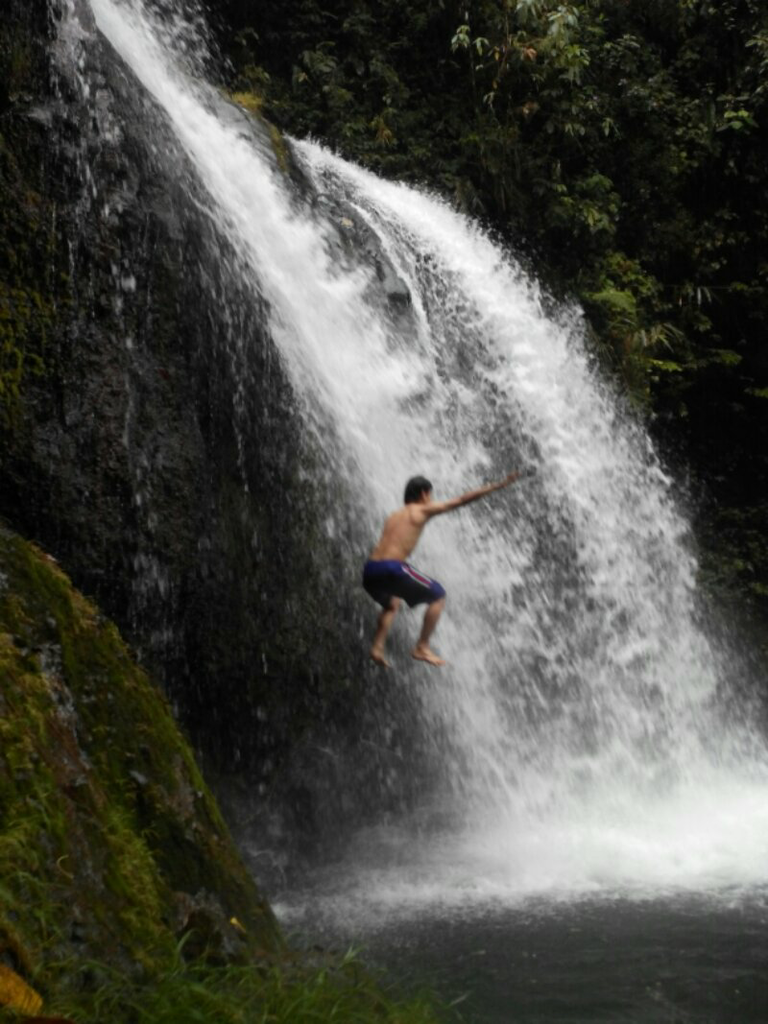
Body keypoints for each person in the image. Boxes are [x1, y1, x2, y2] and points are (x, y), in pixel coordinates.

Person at [362, 471, 522, 668]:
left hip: (370, 571)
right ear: (423, 494)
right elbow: (461, 500)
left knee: (392, 604)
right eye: (430, 494)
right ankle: (422, 646)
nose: (432, 499)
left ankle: (377, 647)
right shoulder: (421, 510)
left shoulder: (394, 515)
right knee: (438, 595)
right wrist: (498, 485)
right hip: (392, 568)